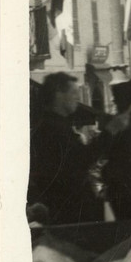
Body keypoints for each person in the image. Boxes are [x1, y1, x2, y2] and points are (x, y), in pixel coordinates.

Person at [28, 72, 106, 225]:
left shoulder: (53, 125)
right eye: (74, 92)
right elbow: (81, 159)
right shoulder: (52, 129)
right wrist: (109, 134)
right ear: (59, 94)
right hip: (70, 212)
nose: (77, 98)